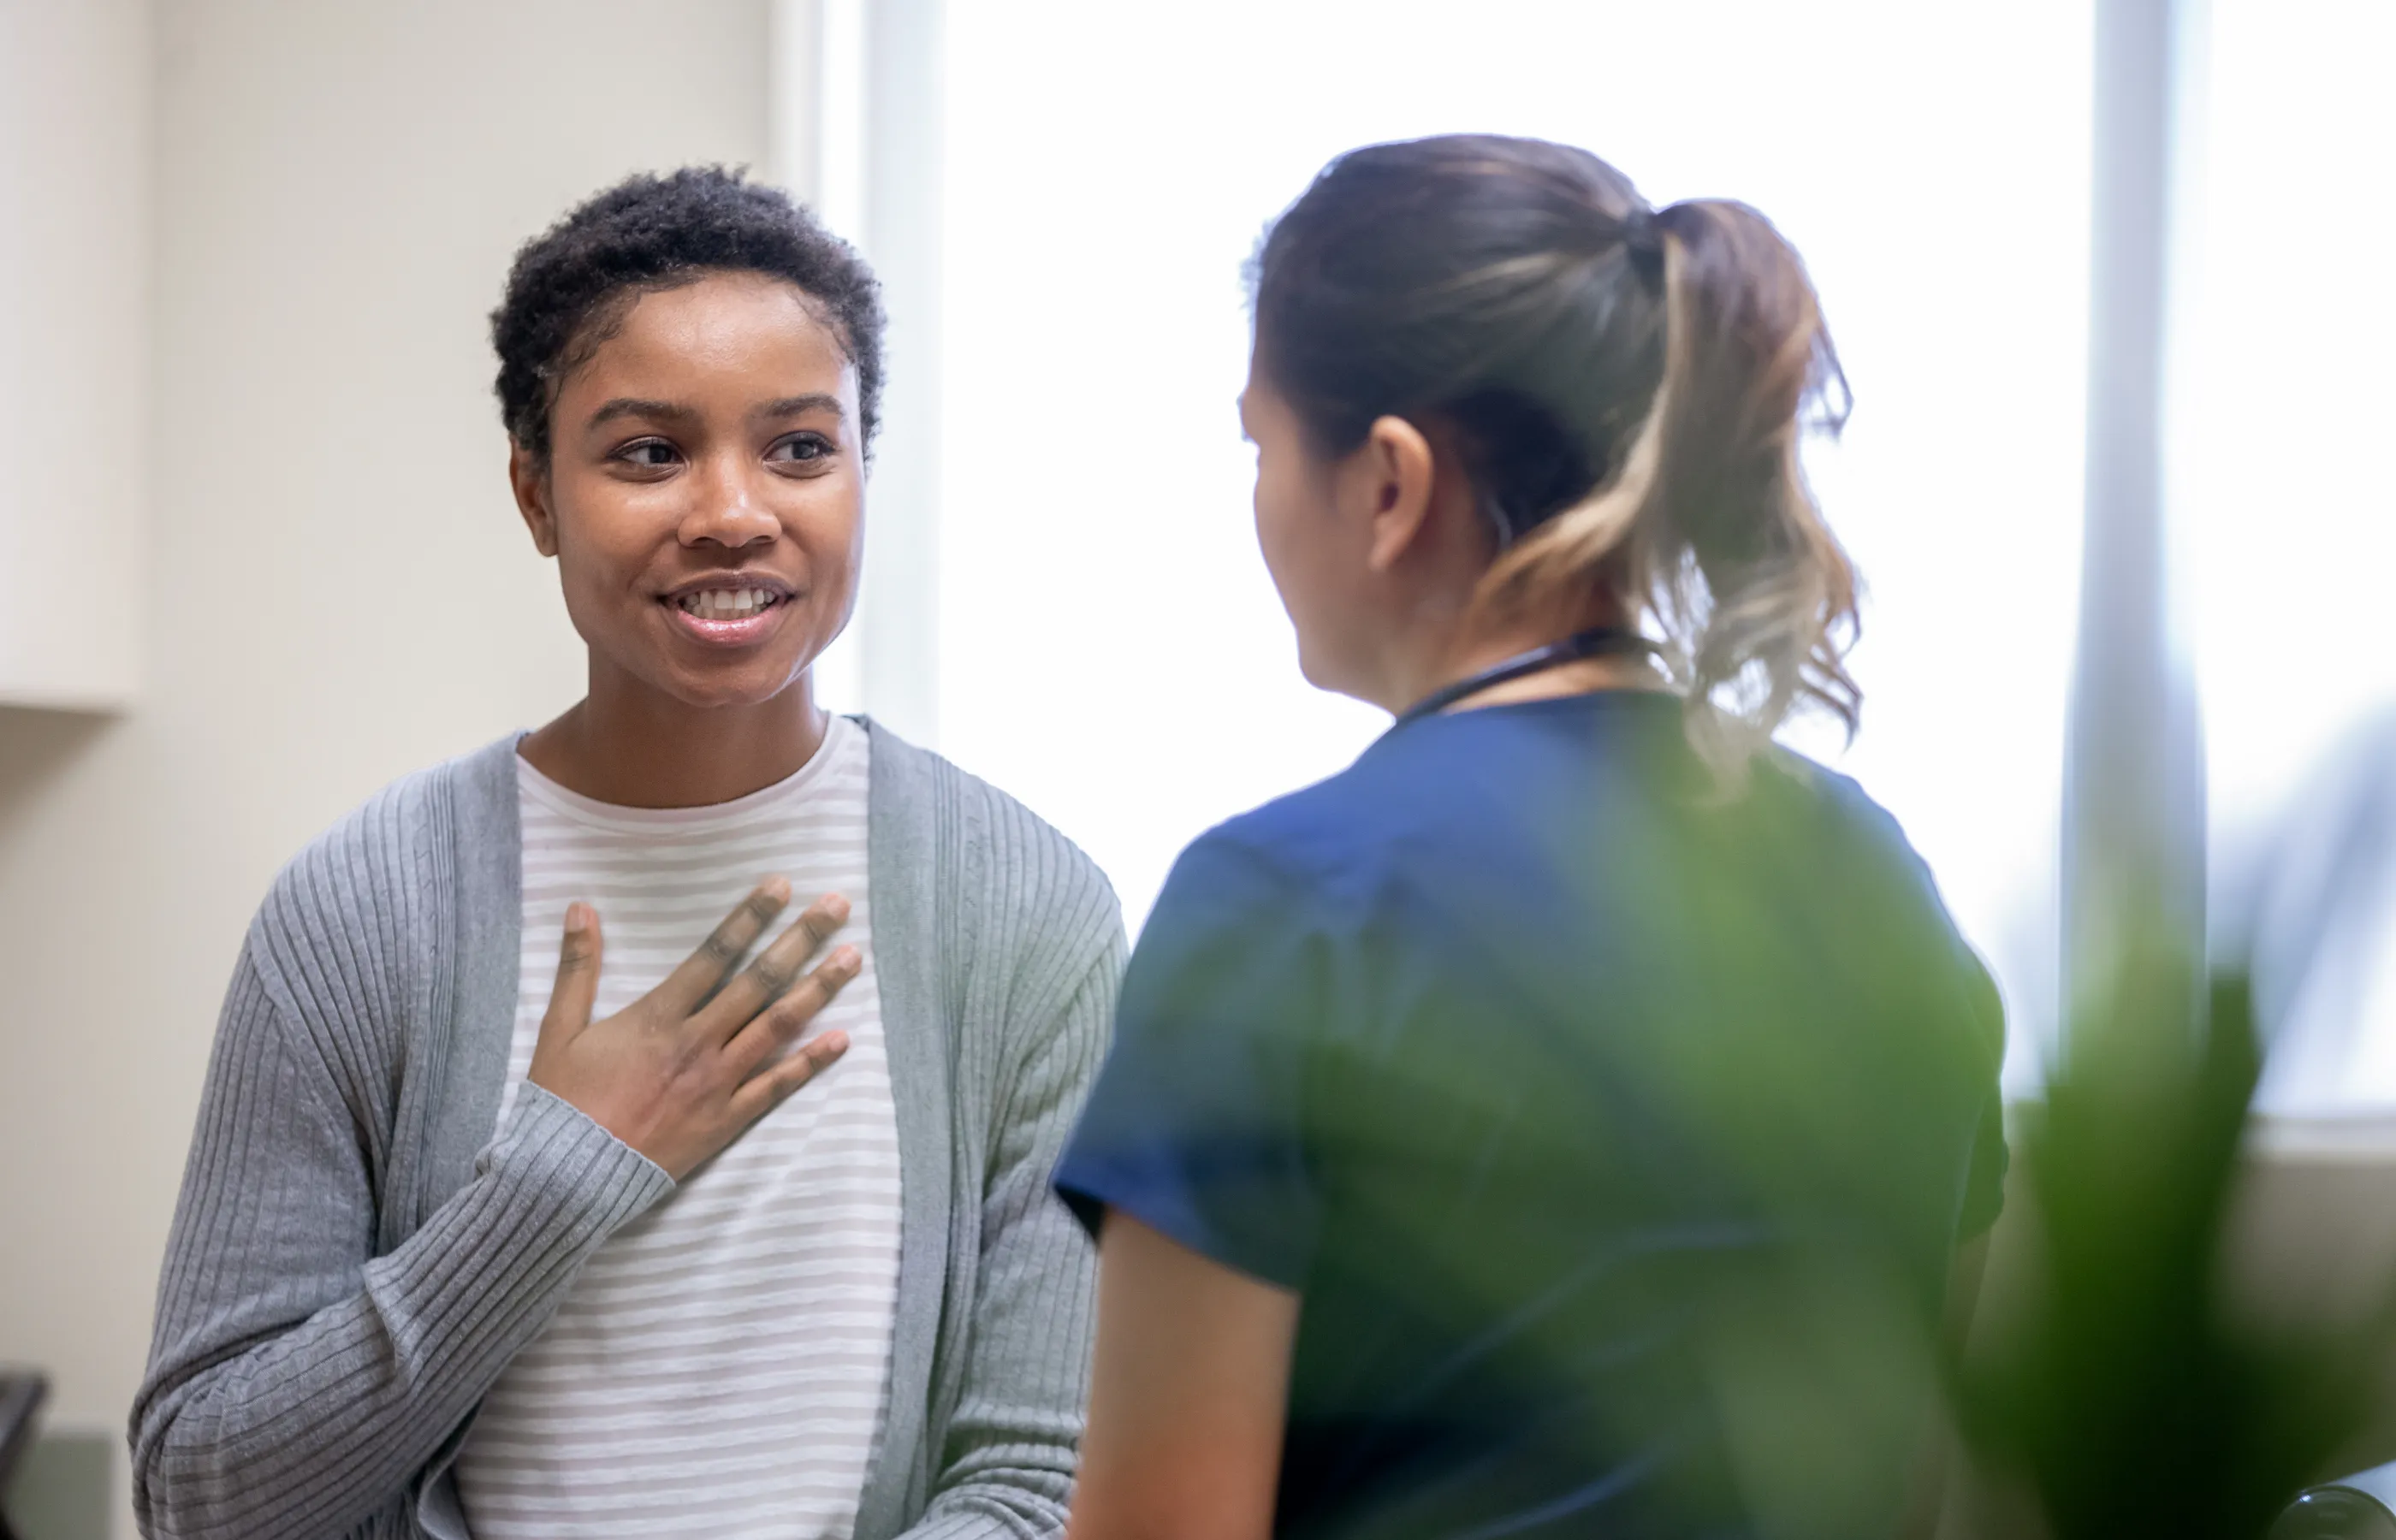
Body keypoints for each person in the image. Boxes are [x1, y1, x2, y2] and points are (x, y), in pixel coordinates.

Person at [132, 168, 1123, 1540]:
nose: (731, 511)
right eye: (649, 453)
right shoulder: (362, 915)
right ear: (537, 496)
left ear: (860, 475)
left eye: (798, 449)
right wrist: (559, 1171)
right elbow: (202, 1496)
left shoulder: (1024, 912)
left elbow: (1039, 1485)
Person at [1053, 135, 2008, 1540]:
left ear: (1388, 483)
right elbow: (1907, 1469)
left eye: (1261, 447)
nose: (1255, 501)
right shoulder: (1876, 879)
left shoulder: (1285, 904)